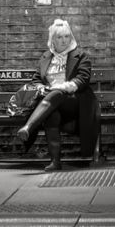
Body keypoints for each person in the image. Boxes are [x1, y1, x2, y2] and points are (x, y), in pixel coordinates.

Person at [16, 18, 95, 171]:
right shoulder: (46, 57)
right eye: (59, 37)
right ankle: (55, 162)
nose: (64, 40)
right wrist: (41, 89)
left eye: (67, 36)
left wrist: (63, 87)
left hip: (75, 101)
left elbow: (83, 78)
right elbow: (36, 80)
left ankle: (28, 127)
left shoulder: (81, 55)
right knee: (52, 115)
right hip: (51, 104)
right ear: (53, 39)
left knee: (57, 93)